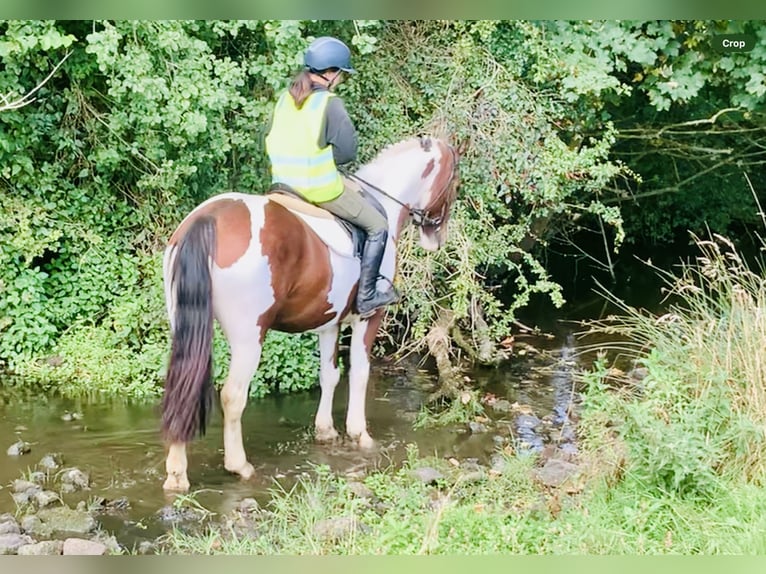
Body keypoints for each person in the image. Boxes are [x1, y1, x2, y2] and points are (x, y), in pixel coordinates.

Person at [265, 36, 398, 318]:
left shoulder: (284, 100)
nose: (340, 80)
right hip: (317, 189)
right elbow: (347, 153)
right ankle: (367, 297)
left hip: (281, 185)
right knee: (377, 225)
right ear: (330, 73)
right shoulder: (329, 104)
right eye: (340, 74)